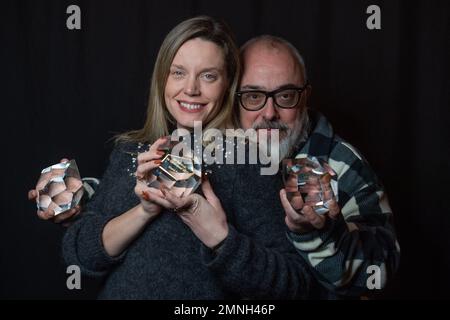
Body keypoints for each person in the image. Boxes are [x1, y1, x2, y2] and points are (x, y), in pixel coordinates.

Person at [51, 17, 315, 299]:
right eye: (178, 72)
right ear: (162, 78)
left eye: (208, 76)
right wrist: (144, 211)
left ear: (227, 85)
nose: (191, 89)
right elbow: (79, 257)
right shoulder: (130, 151)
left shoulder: (247, 161)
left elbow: (295, 284)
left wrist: (220, 238)